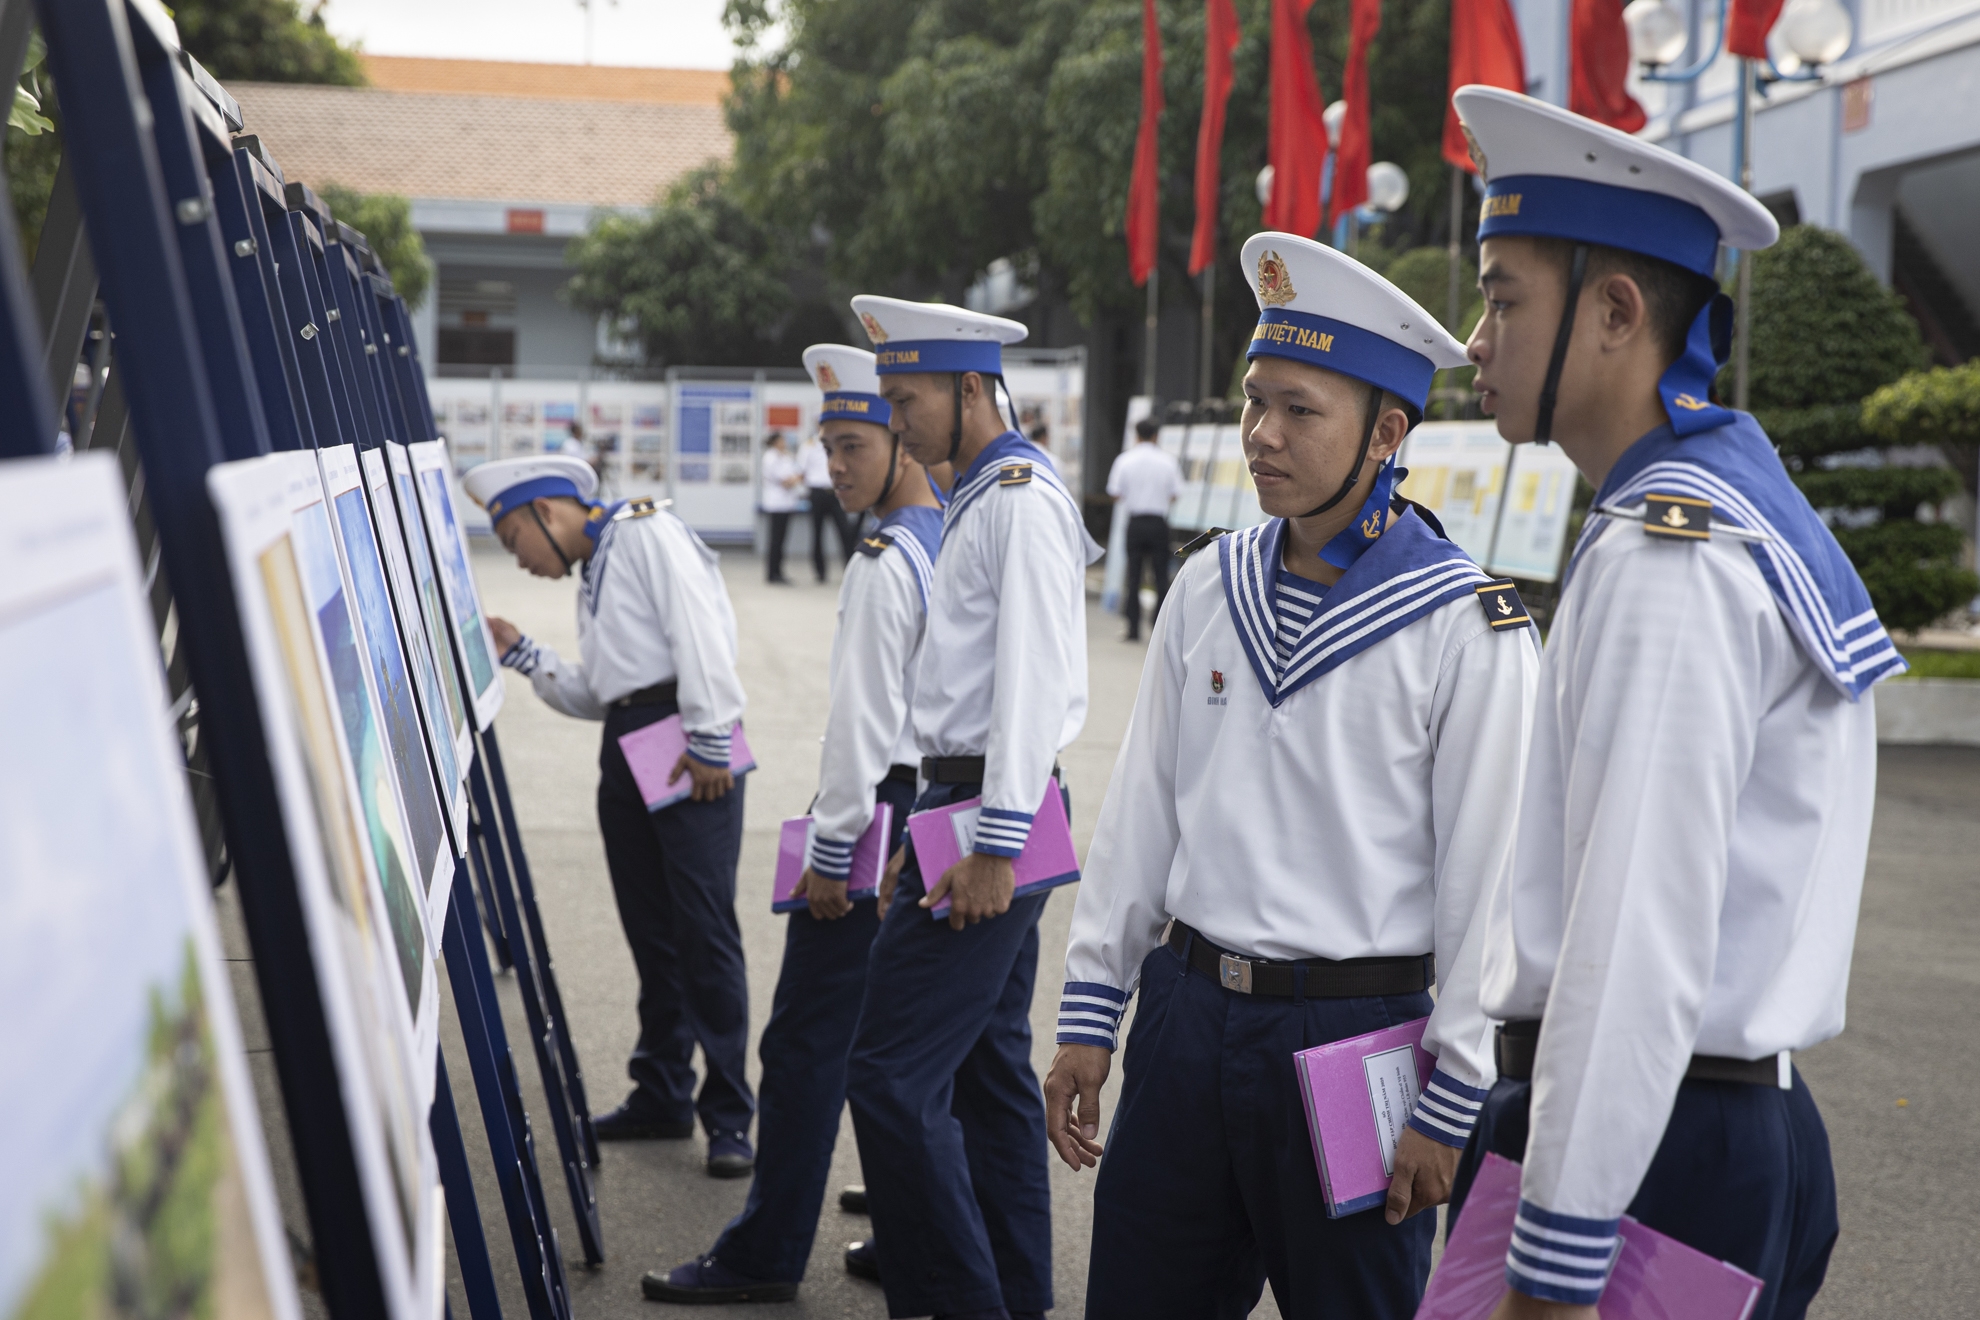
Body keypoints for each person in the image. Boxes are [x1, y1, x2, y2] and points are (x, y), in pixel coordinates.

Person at [1446, 86, 1904, 1320]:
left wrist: (1556, 1257)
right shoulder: (1710, 508)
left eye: (1501, 299)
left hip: (1643, 1152)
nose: (1474, 340)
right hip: (1696, 1119)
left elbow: (1634, 938)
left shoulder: (1673, 556)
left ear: (1615, 311)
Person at [1043, 235, 1537, 1319]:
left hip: (1359, 1040)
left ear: (1389, 431)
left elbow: (1488, 883)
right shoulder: (1209, 583)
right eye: (1255, 402)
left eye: (1299, 411)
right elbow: (1141, 817)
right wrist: (1092, 1006)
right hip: (1183, 1018)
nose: (1262, 435)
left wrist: (1453, 1093)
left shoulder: (1466, 627)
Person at [643, 345, 945, 1303]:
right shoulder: (949, 539)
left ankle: (765, 1254)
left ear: (905, 439)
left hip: (875, 811)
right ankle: (913, 1235)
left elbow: (861, 733)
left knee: (809, 1045)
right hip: (933, 810)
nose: (835, 467)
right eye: (828, 446)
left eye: (855, 443)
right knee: (914, 1045)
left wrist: (829, 854)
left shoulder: (886, 561)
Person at [841, 294, 1101, 1320]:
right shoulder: (982, 498)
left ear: (967, 388)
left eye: (905, 398)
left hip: (1000, 806)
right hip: (967, 801)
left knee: (892, 1076)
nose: (896, 423)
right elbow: (956, 695)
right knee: (989, 1073)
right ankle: (1015, 1294)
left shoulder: (1020, 501)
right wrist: (926, 825)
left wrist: (993, 841)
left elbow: (1029, 686)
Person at [466, 454, 757, 1179]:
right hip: (631, 739)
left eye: (513, 539)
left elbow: (702, 631)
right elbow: (604, 688)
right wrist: (524, 656)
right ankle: (662, 1091)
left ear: (550, 513)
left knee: (704, 930)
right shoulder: (599, 561)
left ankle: (728, 1116)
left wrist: (713, 738)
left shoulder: (645, 532)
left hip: (687, 742)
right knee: (653, 933)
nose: (519, 558)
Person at [1105, 416, 1184, 641]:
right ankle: (1159, 628)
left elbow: (1115, 492)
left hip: (1136, 522)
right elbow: (1175, 493)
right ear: (1156, 435)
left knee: (1134, 575)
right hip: (1158, 523)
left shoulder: (1125, 460)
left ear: (1136, 435)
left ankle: (1133, 628)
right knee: (1161, 576)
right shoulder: (1168, 461)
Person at [800, 425, 854, 581]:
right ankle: (820, 572)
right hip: (817, 492)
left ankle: (850, 569)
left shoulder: (837, 445)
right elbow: (802, 470)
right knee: (817, 533)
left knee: (845, 531)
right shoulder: (808, 446)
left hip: (835, 491)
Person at [761, 431, 802, 584]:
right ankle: (772, 573)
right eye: (782, 440)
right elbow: (786, 481)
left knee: (782, 540)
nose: (784, 443)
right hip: (776, 504)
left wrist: (796, 478)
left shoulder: (785, 456)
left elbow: (795, 475)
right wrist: (796, 478)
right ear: (775, 442)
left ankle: (778, 571)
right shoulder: (771, 458)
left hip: (786, 503)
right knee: (776, 540)